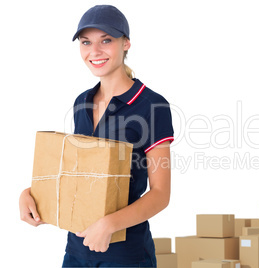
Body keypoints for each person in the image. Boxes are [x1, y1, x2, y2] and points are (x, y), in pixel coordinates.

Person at [19, 5, 174, 267]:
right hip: (76, 250)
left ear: (126, 44)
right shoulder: (82, 103)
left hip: (125, 254)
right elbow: (77, 176)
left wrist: (109, 224)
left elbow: (161, 193)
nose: (95, 51)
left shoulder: (151, 106)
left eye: (106, 40)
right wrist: (29, 193)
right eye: (86, 42)